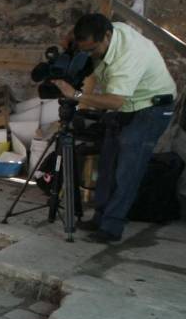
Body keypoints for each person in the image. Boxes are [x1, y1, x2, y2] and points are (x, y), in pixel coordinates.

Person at [53, 13, 178, 243]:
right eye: (85, 50)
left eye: (92, 50)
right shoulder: (105, 31)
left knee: (128, 168)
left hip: (152, 107)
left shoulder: (127, 56)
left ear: (107, 37)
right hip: (128, 104)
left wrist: (77, 95)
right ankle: (100, 217)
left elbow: (114, 101)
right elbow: (91, 67)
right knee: (107, 162)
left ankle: (112, 227)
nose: (89, 55)